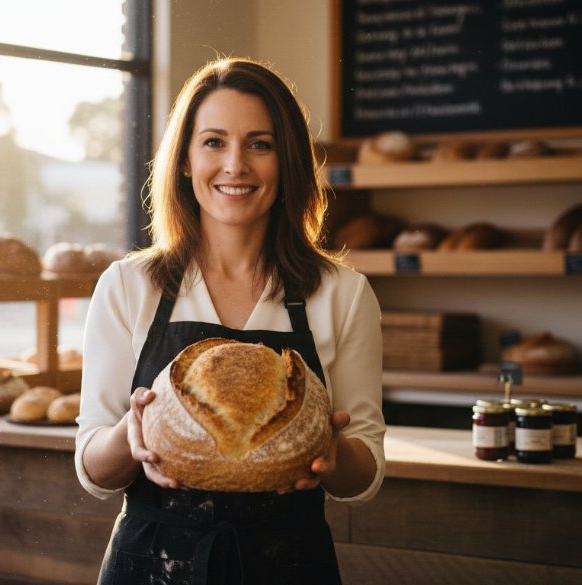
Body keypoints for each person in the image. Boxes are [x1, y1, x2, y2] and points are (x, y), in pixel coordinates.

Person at [75, 57, 385, 585]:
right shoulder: (129, 286)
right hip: (150, 567)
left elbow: (364, 476)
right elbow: (93, 472)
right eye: (214, 142)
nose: (235, 165)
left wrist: (333, 454)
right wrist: (133, 434)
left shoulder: (342, 293)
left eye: (259, 144)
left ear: (286, 161)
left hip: (291, 565)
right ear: (185, 161)